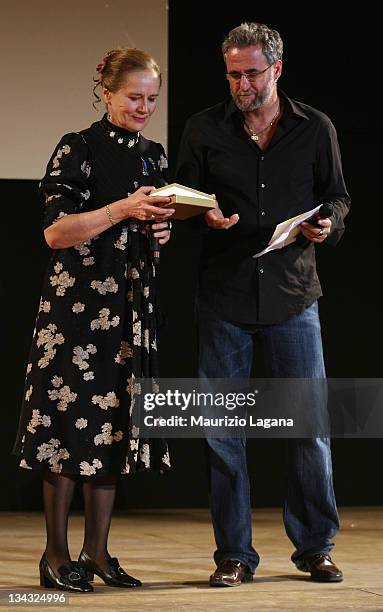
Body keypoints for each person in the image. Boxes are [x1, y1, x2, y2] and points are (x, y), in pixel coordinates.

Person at [176, 22, 350, 586]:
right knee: (222, 430)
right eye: (233, 74)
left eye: (251, 73)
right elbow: (181, 198)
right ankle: (233, 554)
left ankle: (316, 547)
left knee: (307, 428)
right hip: (224, 294)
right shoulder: (203, 128)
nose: (241, 84)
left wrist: (328, 224)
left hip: (293, 296)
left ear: (276, 69)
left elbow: (337, 197)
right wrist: (202, 213)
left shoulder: (314, 128)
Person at [13, 47, 174, 593]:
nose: (144, 108)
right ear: (106, 92)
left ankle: (98, 552)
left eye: (152, 99)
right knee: (64, 422)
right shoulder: (76, 148)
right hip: (77, 308)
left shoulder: (154, 155)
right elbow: (56, 232)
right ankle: (56, 555)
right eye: (134, 98)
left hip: (130, 306)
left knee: (112, 422)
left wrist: (160, 231)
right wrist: (124, 210)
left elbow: (152, 232)